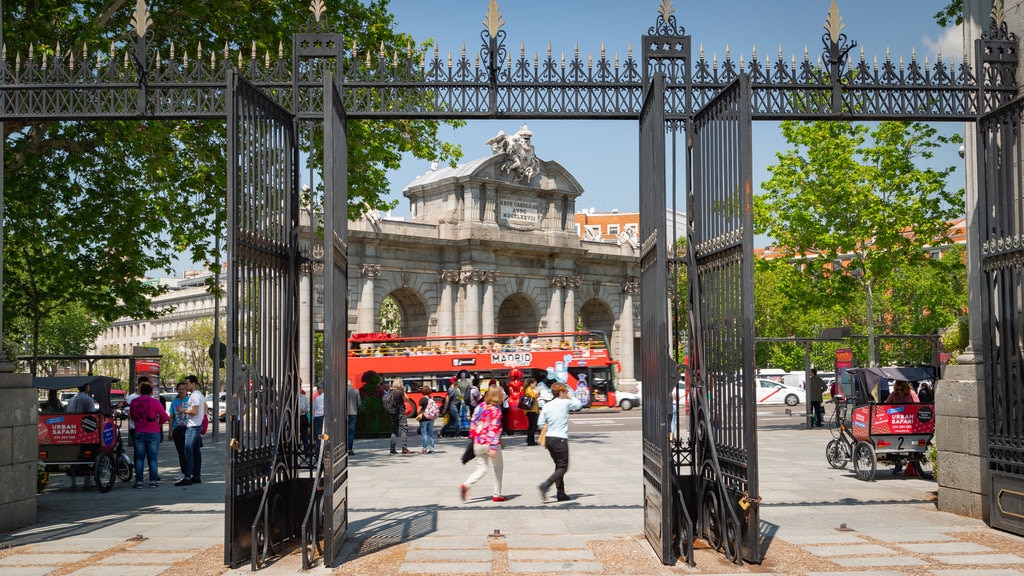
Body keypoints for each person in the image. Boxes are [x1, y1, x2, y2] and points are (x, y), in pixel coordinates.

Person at [460, 386, 507, 502]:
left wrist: (472, 437)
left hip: (478, 442)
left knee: (481, 468)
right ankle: (497, 494)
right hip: (490, 443)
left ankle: (466, 484)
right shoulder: (496, 410)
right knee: (498, 468)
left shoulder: (479, 407)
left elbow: (473, 422)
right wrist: (493, 447)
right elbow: (495, 429)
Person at [537, 382, 582, 502]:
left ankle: (560, 493)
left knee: (558, 466)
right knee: (563, 467)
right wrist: (570, 397)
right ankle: (545, 485)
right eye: (566, 392)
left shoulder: (547, 405)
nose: (567, 394)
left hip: (549, 439)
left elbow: (540, 423)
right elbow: (578, 404)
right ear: (561, 392)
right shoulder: (565, 403)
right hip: (560, 438)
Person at [130, 380, 168, 488]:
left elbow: (132, 416)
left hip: (139, 431)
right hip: (153, 432)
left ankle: (139, 481)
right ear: (151, 392)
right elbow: (165, 416)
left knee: (139, 458)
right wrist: (159, 423)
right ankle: (153, 481)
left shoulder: (134, 402)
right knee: (152, 458)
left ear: (140, 391)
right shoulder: (155, 402)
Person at [175, 375, 205, 486]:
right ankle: (196, 475)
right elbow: (204, 407)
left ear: (193, 384)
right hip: (196, 424)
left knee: (188, 450)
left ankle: (188, 476)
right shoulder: (198, 395)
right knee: (196, 451)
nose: (185, 385)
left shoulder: (195, 396)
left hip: (193, 426)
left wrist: (183, 410)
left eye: (187, 384)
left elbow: (195, 411)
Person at [168, 381, 189, 482]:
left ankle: (190, 472)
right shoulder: (174, 402)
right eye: (179, 389)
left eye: (183, 389)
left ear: (186, 390)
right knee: (181, 452)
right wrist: (170, 431)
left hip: (188, 429)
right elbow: (171, 417)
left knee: (188, 451)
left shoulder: (189, 400)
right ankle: (183, 472)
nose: (181, 391)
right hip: (177, 429)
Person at [387, 379, 410, 454]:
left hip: (393, 414)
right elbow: (407, 399)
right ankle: (404, 448)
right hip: (401, 413)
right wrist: (403, 390)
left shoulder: (389, 392)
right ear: (400, 385)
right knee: (404, 430)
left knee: (394, 431)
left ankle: (392, 449)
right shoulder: (400, 392)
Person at [417, 384, 437, 454]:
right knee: (431, 433)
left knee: (424, 434)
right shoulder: (431, 398)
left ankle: (424, 448)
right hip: (431, 418)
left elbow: (418, 410)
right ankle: (432, 448)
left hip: (424, 418)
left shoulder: (422, 399)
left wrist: (419, 416)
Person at [523, 378, 541, 446]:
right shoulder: (529, 389)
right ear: (531, 383)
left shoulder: (529, 389)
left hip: (532, 410)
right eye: (534, 384)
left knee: (532, 426)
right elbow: (533, 396)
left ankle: (530, 440)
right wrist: (537, 393)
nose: (535, 386)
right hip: (532, 410)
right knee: (533, 426)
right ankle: (530, 441)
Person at [346, 379, 361, 455]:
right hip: (353, 413)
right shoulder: (356, 391)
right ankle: (350, 449)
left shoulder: (342, 391)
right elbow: (359, 403)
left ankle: (343, 448)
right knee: (351, 432)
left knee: (344, 431)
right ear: (351, 384)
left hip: (344, 413)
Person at [312, 382, 325, 455]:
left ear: (321, 389)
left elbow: (314, 408)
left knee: (318, 435)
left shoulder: (318, 398)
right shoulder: (327, 397)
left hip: (318, 417)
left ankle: (319, 451)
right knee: (324, 434)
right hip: (324, 417)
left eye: (318, 389)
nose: (317, 391)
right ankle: (323, 449)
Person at [298, 386, 311, 454]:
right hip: (295, 418)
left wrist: (304, 410)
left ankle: (306, 450)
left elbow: (309, 408)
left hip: (303, 417)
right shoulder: (291, 397)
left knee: (304, 434)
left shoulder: (304, 397)